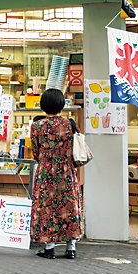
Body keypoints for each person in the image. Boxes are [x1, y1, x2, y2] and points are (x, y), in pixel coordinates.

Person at [30, 88, 83, 260]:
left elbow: (36, 153)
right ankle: (71, 248)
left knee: (47, 208)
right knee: (68, 208)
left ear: (43, 105)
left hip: (46, 172)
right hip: (67, 172)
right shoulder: (70, 124)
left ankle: (50, 247)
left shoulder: (37, 126)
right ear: (61, 104)